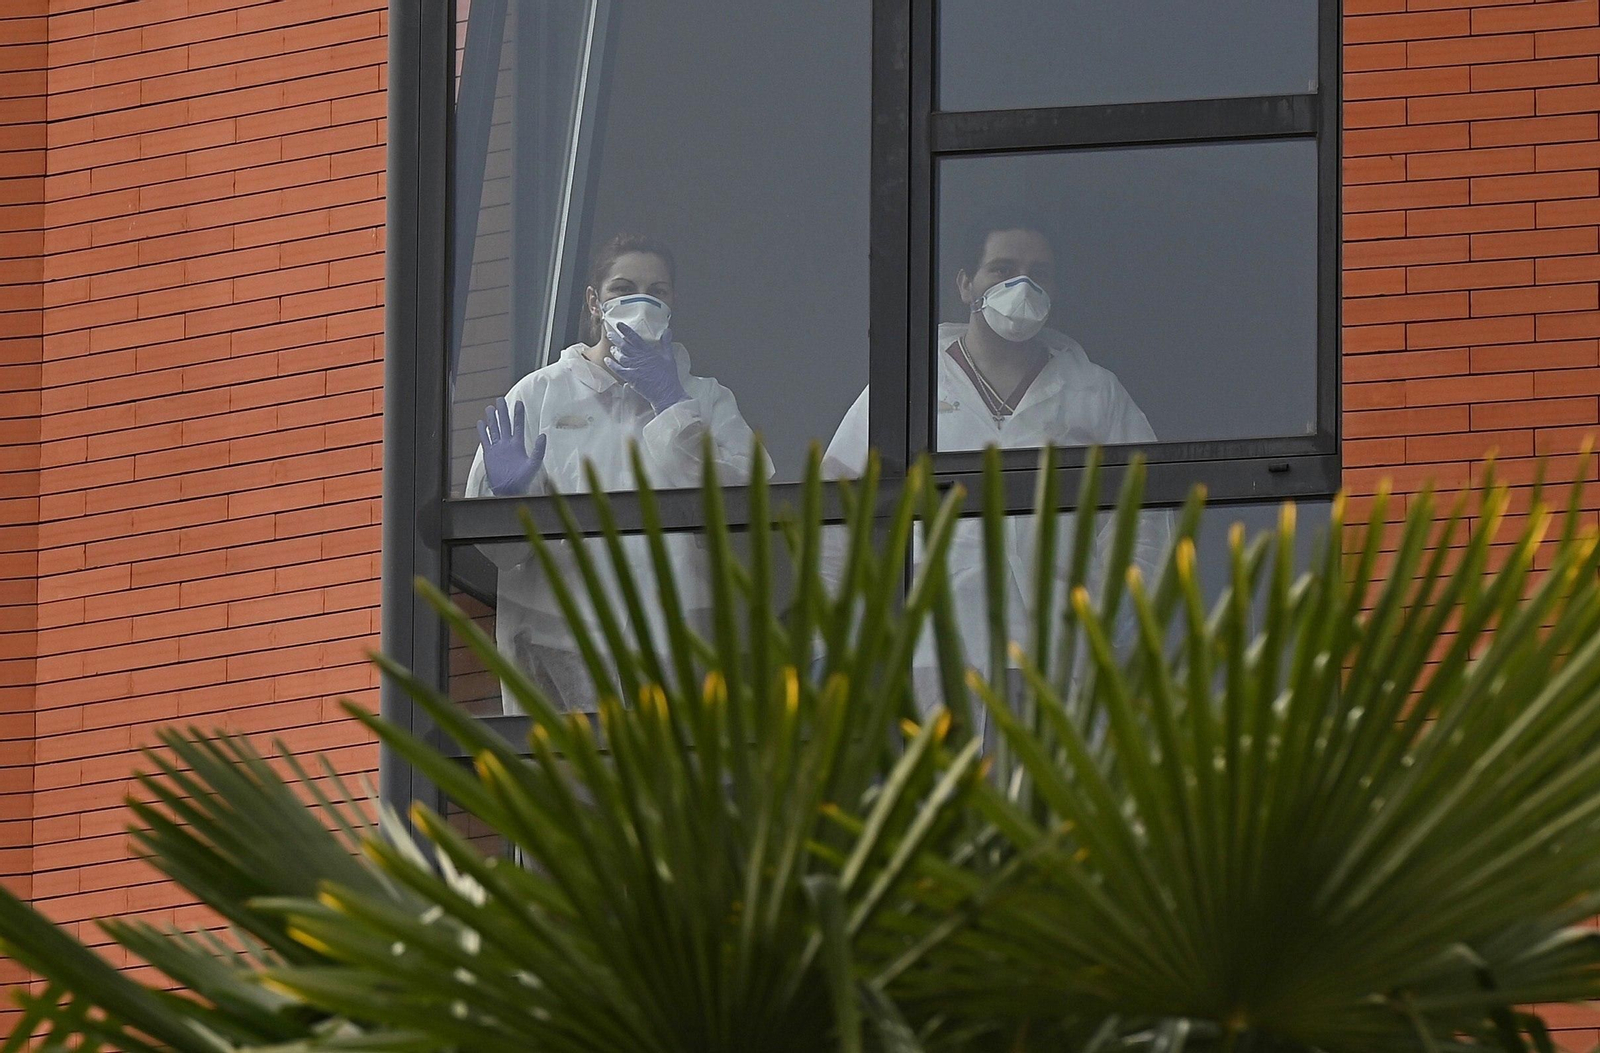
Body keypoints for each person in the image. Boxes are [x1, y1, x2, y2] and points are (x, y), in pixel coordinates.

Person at [822, 214, 1171, 743]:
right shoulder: (908, 385)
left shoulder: (1094, 393)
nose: (1020, 286)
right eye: (1002, 269)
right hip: (936, 651)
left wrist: (1118, 606)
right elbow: (838, 505)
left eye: (1038, 273)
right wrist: (858, 626)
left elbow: (1145, 505)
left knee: (1047, 807)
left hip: (1057, 651)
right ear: (965, 284)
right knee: (947, 807)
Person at [466, 234, 771, 714]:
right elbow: (503, 554)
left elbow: (745, 507)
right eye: (623, 286)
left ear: (673, 303)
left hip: (677, 660)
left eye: (658, 290)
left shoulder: (706, 399)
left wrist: (672, 404)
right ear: (594, 300)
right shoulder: (539, 396)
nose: (642, 300)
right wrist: (508, 503)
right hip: (561, 659)